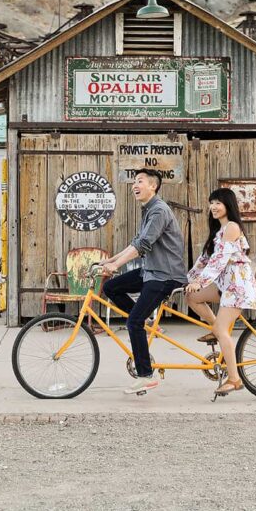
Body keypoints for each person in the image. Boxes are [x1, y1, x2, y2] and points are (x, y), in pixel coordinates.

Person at [102, 168, 187, 395]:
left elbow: (143, 245)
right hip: (151, 270)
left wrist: (116, 266)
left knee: (133, 323)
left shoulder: (158, 210)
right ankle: (147, 322)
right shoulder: (148, 210)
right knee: (111, 287)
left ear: (153, 186)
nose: (134, 186)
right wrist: (110, 260)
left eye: (140, 181)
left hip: (165, 275)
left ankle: (145, 375)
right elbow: (137, 242)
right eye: (134, 182)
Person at [185, 187, 256, 396]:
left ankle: (234, 379)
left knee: (222, 331)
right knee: (192, 297)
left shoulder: (233, 227)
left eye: (218, 203)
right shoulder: (218, 232)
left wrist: (201, 281)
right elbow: (205, 260)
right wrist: (189, 280)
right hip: (225, 285)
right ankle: (216, 329)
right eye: (211, 203)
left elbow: (219, 260)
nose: (213, 207)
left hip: (238, 286)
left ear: (228, 205)